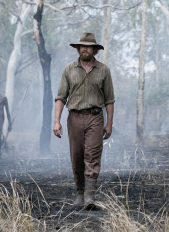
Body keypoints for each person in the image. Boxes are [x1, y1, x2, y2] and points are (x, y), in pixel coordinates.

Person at [53, 32, 115, 209]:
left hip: (95, 117)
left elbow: (110, 100)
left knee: (93, 155)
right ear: (78, 48)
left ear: (95, 50)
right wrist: (56, 121)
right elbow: (60, 97)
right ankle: (80, 192)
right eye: (82, 46)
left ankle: (90, 196)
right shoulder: (69, 69)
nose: (85, 49)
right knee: (77, 156)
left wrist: (109, 123)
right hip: (74, 117)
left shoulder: (104, 70)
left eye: (88, 46)